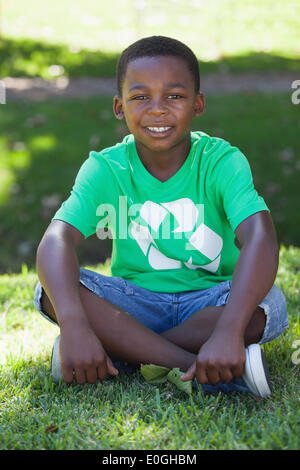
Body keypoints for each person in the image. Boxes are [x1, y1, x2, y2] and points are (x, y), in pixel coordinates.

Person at [34, 35, 288, 397]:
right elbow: (57, 240)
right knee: (48, 291)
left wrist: (230, 330)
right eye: (140, 97)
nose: (157, 109)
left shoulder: (221, 161)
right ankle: (192, 366)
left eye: (174, 96)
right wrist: (75, 325)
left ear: (197, 104)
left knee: (269, 305)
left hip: (210, 301)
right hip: (135, 303)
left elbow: (260, 238)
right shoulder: (106, 168)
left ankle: (122, 353)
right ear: (119, 107)